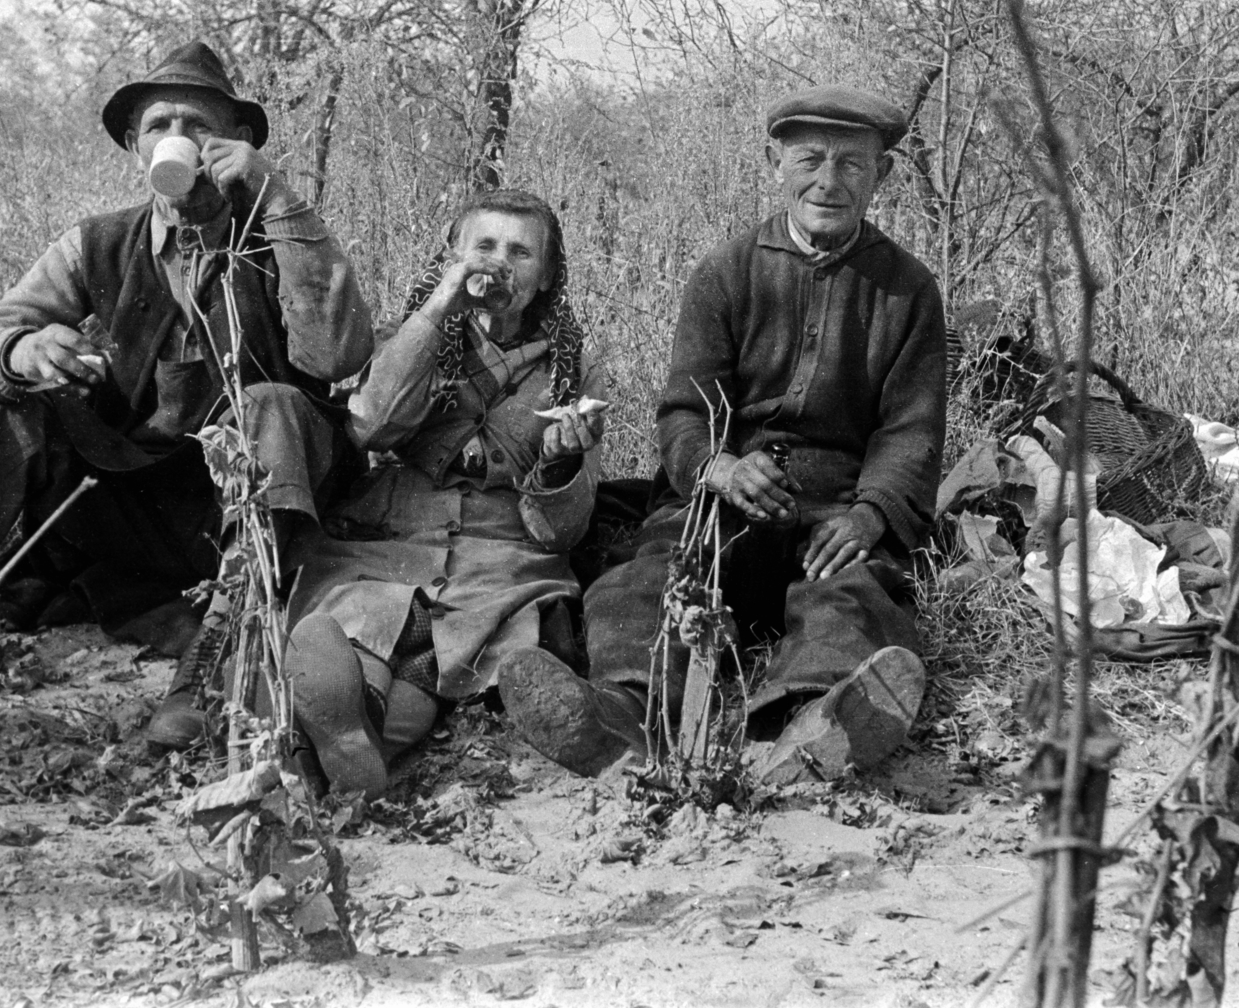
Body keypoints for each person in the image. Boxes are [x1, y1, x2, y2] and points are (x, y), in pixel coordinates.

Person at [0, 42, 374, 746]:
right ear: (135, 147)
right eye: (159, 125)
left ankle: (212, 662)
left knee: (271, 404)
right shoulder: (97, 245)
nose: (178, 140)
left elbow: (339, 355)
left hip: (264, 503)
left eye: (199, 125)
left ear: (240, 142)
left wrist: (276, 196)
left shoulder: (280, 232)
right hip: (141, 501)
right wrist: (24, 351)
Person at [499, 85, 947, 784]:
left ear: (881, 176)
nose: (828, 182)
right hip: (719, 503)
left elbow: (911, 431)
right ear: (777, 165)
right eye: (810, 159)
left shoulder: (909, 290)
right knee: (646, 580)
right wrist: (722, 468)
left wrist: (869, 513)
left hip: (833, 512)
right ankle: (619, 711)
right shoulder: (725, 273)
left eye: (852, 165)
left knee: (848, 595)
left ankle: (819, 719)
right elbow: (682, 412)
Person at [281, 189, 604, 796]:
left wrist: (561, 462)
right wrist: (435, 311)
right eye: (483, 246)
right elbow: (370, 426)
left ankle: (337, 746)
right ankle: (344, 731)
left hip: (504, 554)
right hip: (394, 537)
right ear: (454, 256)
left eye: (520, 252)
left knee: (447, 652)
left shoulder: (577, 368)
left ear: (548, 276)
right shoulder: (415, 333)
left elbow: (565, 530)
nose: (499, 263)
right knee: (369, 615)